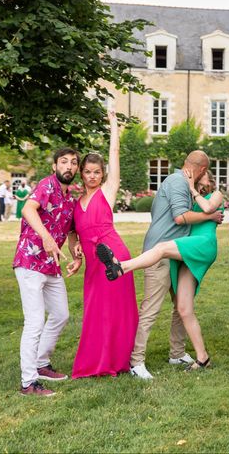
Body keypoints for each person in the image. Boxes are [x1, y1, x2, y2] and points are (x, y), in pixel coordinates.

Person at [97, 170, 224, 371]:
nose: (200, 179)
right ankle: (201, 357)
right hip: (186, 252)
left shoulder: (215, 195)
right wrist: (196, 201)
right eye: (199, 177)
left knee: (162, 248)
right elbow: (182, 217)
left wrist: (193, 189)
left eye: (204, 176)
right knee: (183, 307)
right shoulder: (190, 203)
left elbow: (208, 207)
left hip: (202, 246)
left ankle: (122, 266)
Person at [129, 149, 222, 380]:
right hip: (159, 253)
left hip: (179, 252)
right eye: (206, 172)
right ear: (200, 170)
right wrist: (209, 217)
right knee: (151, 308)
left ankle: (177, 352)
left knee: (181, 305)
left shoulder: (184, 184)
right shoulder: (178, 182)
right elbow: (180, 217)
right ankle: (136, 361)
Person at [71, 110, 138, 378]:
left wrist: (113, 126)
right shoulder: (76, 204)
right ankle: (95, 361)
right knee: (95, 313)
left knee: (117, 312)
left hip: (113, 255)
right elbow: (72, 234)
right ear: (81, 174)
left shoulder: (107, 192)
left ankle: (118, 360)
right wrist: (73, 248)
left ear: (102, 174)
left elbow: (114, 154)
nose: (92, 176)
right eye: (87, 172)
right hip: (92, 265)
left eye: (97, 172)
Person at [13, 148, 82, 396]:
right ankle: (28, 382)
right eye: (64, 162)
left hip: (51, 266)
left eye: (74, 163)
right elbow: (28, 210)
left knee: (61, 314)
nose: (69, 166)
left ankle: (41, 363)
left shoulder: (70, 198)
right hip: (30, 261)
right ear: (54, 166)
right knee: (34, 322)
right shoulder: (46, 186)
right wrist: (47, 238)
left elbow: (72, 231)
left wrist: (76, 254)